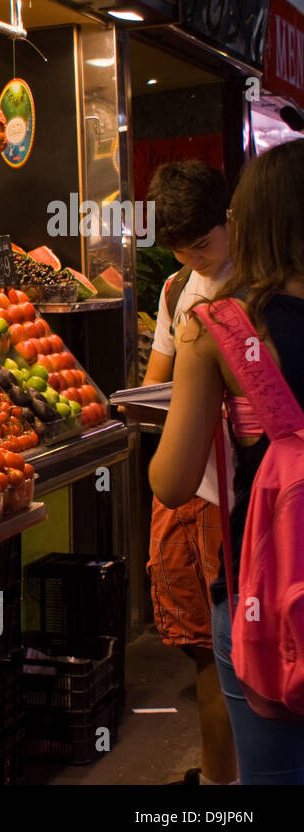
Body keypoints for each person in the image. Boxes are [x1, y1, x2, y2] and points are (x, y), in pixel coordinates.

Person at [150, 138, 304, 784]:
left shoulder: (219, 328)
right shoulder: (185, 298)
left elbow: (172, 480)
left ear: (251, 222)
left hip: (266, 587)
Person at [140, 161, 237, 785]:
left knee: (241, 653)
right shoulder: (177, 290)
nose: (192, 257)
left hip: (239, 497)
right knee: (203, 650)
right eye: (178, 247)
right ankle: (218, 782)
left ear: (231, 220)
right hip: (185, 488)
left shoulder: (259, 286)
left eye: (201, 243)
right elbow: (154, 382)